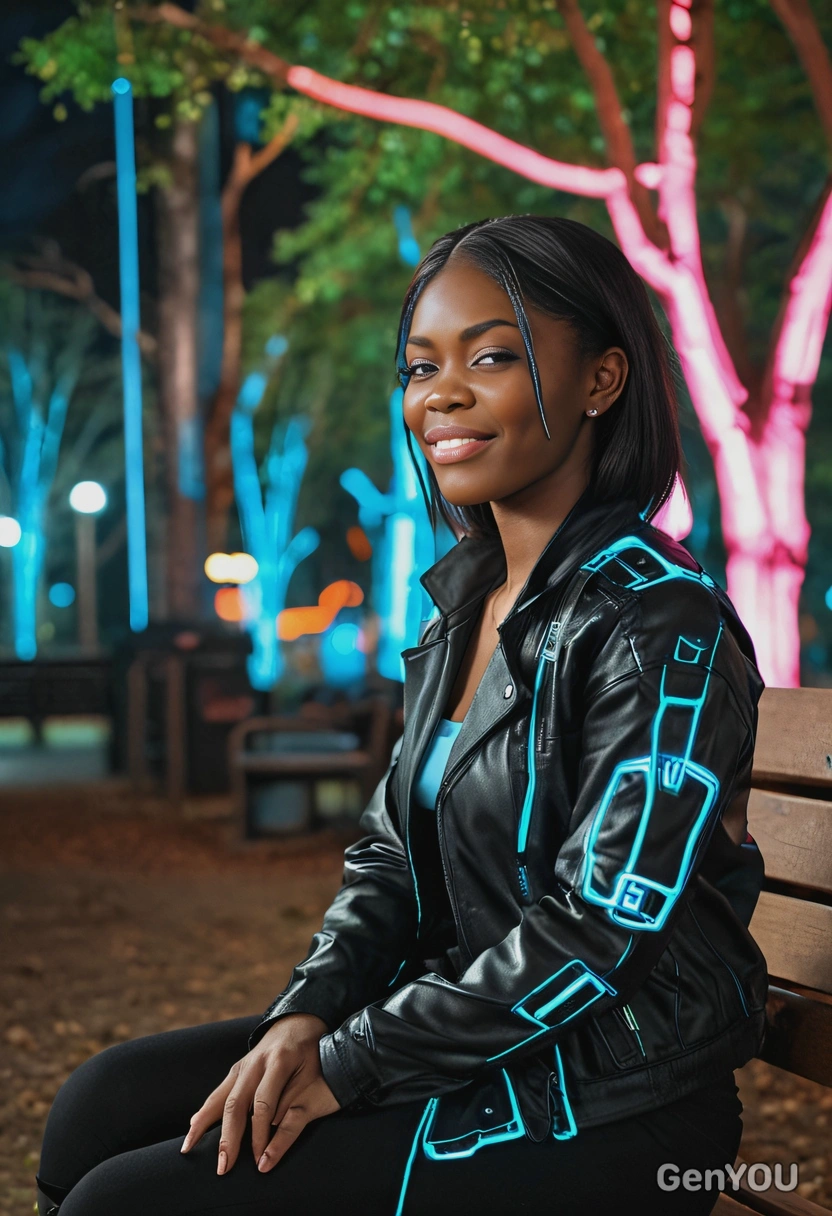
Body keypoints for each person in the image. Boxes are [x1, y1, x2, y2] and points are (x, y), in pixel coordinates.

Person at [35, 215, 768, 1216]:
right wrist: (308, 1014)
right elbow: (385, 860)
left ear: (602, 380)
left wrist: (352, 1061)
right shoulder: (463, 608)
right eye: (420, 366)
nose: (441, 395)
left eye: (493, 356)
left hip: (610, 1103)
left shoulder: (657, 624)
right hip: (459, 1044)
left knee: (127, 1200)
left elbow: (596, 928)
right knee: (100, 1106)